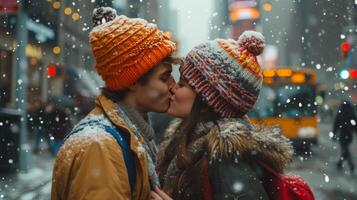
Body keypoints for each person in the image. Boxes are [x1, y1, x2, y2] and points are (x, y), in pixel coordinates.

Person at [51, 7, 176, 200]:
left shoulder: (127, 137)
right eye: (165, 78)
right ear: (133, 81)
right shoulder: (100, 147)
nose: (173, 86)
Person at [154, 31, 294, 200]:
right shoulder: (190, 139)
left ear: (208, 100)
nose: (173, 88)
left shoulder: (227, 158)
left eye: (182, 84)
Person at [333, 100, 356, 173]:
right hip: (349, 135)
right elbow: (355, 125)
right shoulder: (351, 114)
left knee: (345, 150)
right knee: (345, 149)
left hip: (342, 135)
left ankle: (349, 164)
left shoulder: (340, 113)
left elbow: (336, 125)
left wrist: (334, 134)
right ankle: (340, 163)